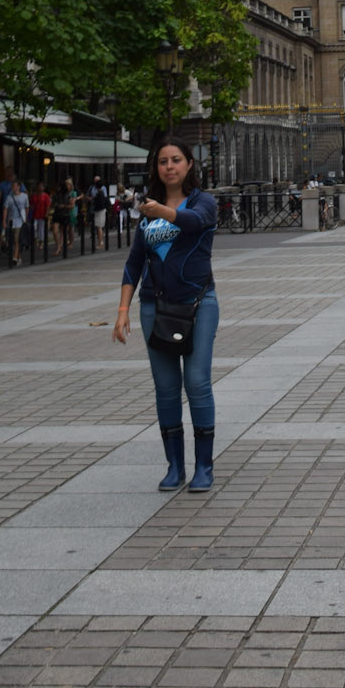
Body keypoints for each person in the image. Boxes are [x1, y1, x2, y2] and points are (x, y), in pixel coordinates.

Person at [113, 136, 219, 493]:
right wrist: (123, 309)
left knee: (197, 382)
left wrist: (161, 211)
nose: (169, 167)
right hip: (153, 306)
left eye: (176, 160)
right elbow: (134, 263)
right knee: (166, 388)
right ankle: (175, 466)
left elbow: (194, 221)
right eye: (163, 161)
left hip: (198, 304)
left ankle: (203, 466)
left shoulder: (203, 201)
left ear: (189, 164)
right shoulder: (148, 210)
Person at [4, 178, 29, 265]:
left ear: (19, 187)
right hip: (11, 221)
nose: (13, 187)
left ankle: (14, 258)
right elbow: (5, 209)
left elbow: (27, 207)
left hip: (20, 221)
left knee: (17, 239)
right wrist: (4, 221)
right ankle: (18, 257)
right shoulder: (9, 197)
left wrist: (25, 219)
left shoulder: (24, 196)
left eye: (14, 186)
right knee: (11, 240)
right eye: (12, 186)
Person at [90, 176, 109, 247]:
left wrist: (95, 202)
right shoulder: (101, 193)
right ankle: (100, 242)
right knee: (99, 226)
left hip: (99, 211)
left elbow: (99, 203)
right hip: (101, 210)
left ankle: (100, 242)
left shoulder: (99, 193)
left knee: (99, 227)